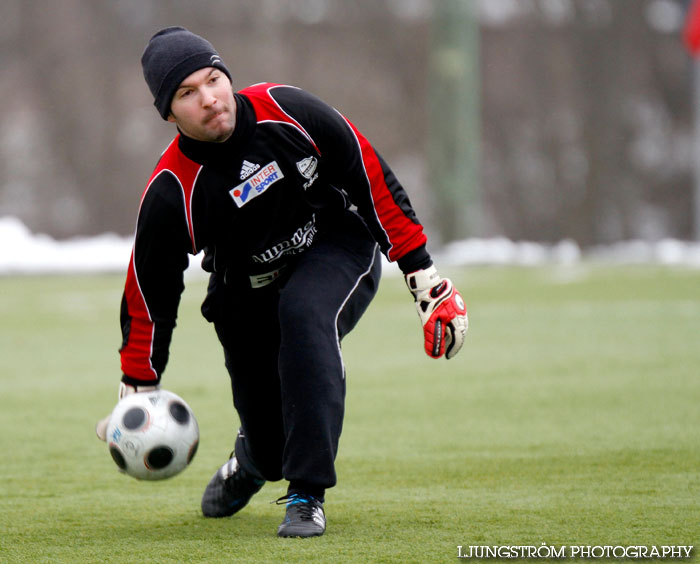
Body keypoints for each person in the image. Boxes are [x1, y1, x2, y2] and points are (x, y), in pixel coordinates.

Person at [96, 26, 468, 538]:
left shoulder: (288, 109)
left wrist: (425, 280)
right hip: (243, 291)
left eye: (212, 80)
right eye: (187, 94)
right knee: (270, 442)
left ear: (227, 76)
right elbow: (149, 287)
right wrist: (138, 383)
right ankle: (253, 459)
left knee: (305, 314)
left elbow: (370, 176)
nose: (209, 99)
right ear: (168, 113)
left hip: (336, 246)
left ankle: (307, 493)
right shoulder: (170, 190)